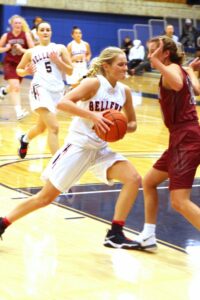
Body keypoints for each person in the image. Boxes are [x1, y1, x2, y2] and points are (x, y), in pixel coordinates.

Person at [0, 46, 142, 250]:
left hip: (101, 150)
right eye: (120, 64)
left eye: (126, 63)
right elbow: (63, 103)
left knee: (134, 179)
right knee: (45, 198)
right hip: (78, 147)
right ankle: (3, 223)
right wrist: (94, 116)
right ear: (107, 66)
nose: (125, 67)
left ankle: (115, 233)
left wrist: (118, 129)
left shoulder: (124, 91)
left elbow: (132, 124)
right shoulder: (93, 84)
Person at [135, 36, 200, 252]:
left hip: (185, 137)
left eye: (153, 51)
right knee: (149, 181)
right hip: (182, 137)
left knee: (179, 201)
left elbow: (178, 84)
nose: (149, 55)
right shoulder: (179, 70)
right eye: (149, 51)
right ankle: (148, 235)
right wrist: (191, 71)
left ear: (165, 53)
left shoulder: (170, 71)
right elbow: (196, 89)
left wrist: (158, 64)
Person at [16, 21, 73, 159]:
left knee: (41, 128)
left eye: (48, 29)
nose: (45, 32)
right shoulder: (31, 52)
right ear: (37, 33)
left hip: (57, 91)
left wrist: (58, 62)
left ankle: (25, 139)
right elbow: (19, 70)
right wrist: (26, 71)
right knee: (54, 127)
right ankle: (58, 164)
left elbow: (70, 71)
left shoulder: (60, 48)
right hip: (39, 89)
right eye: (42, 30)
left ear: (51, 32)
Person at [0, 15, 34, 120]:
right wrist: (6, 48)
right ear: (12, 24)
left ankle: (4, 91)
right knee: (15, 86)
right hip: (9, 63)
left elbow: (33, 50)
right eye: (16, 23)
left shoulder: (26, 35)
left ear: (22, 24)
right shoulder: (7, 35)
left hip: (21, 64)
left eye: (19, 23)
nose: (18, 24)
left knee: (15, 86)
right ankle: (19, 112)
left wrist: (22, 49)